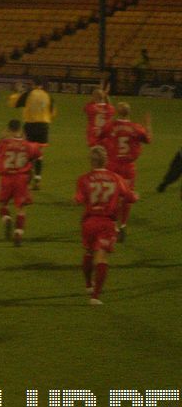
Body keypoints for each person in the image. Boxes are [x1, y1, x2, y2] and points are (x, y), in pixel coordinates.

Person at [75, 146, 138, 305]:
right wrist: (135, 196)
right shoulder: (116, 178)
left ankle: (89, 285)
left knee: (88, 252)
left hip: (89, 222)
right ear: (106, 160)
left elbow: (78, 199)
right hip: (107, 223)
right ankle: (95, 297)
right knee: (101, 257)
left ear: (91, 161)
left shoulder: (84, 179)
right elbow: (129, 197)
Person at [97, 102, 151, 241]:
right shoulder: (136, 128)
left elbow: (100, 136)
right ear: (129, 113)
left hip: (113, 166)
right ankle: (123, 226)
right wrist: (147, 125)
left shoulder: (111, 125)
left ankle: (113, 225)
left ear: (117, 113)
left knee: (113, 195)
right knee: (127, 196)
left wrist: (108, 145)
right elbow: (148, 140)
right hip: (128, 167)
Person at [0, 119, 44, 247]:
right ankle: (18, 232)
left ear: (8, 129)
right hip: (21, 180)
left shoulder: (3, 143)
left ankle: (7, 219)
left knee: (3, 204)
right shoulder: (28, 145)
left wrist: (1, 139)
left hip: (6, 179)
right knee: (21, 209)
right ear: (20, 130)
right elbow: (39, 156)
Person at [8, 76, 55, 190]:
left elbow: (14, 103)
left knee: (28, 154)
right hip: (43, 126)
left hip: (31, 125)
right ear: (42, 85)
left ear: (33, 84)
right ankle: (38, 180)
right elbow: (52, 113)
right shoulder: (48, 95)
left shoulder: (29, 93)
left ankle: (27, 181)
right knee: (39, 154)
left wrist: (16, 92)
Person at [83, 83, 115, 147]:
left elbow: (86, 107)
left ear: (94, 97)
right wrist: (105, 95)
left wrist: (99, 95)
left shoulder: (91, 108)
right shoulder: (109, 108)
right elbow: (109, 105)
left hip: (93, 134)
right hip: (105, 134)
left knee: (95, 154)